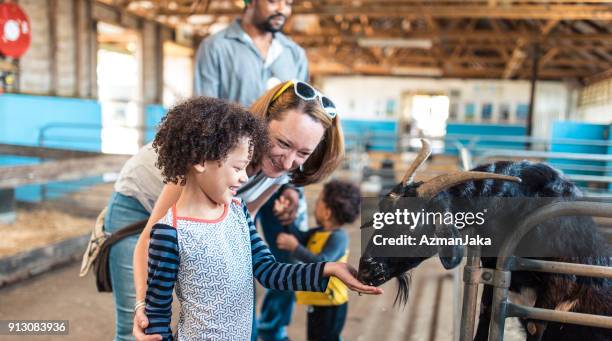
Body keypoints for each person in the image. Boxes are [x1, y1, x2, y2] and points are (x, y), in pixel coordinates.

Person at [141, 96, 380, 341]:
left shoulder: (238, 213)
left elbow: (270, 271)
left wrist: (330, 268)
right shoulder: (170, 233)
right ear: (201, 161)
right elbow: (157, 316)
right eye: (237, 168)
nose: (245, 178)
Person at [194, 1, 309, 338]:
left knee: (286, 253)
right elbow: (204, 115)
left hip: (276, 175)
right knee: (236, 262)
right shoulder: (215, 47)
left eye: (289, 2)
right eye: (275, 0)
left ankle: (273, 332)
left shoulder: (294, 54)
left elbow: (302, 121)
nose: (283, 8)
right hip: (232, 176)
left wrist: (291, 186)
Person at [276, 180, 361, 341]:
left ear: (327, 212)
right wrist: (285, 218)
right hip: (317, 302)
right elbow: (298, 238)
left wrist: (294, 247)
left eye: (319, 201)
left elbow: (323, 262)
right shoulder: (319, 232)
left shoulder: (338, 237)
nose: (315, 205)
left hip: (331, 305)